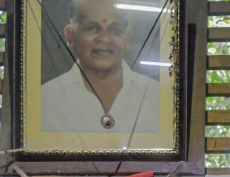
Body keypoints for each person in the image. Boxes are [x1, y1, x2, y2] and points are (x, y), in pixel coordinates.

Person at [40, 0, 160, 134]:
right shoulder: (44, 99)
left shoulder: (157, 96)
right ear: (70, 35)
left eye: (115, 29)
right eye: (92, 28)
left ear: (127, 38)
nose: (105, 39)